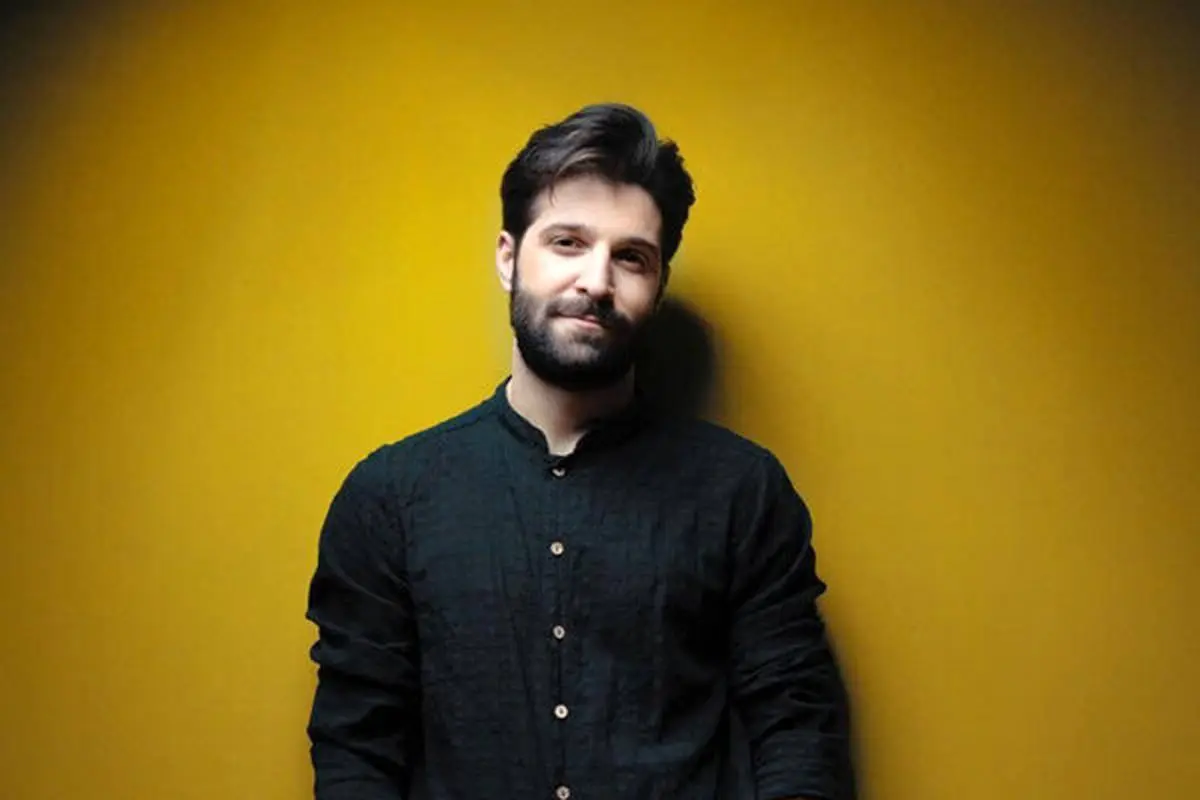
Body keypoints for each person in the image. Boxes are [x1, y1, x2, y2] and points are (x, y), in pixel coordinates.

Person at [305, 103, 849, 800]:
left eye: (631, 257)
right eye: (567, 242)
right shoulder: (390, 498)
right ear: (509, 259)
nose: (596, 281)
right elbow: (356, 750)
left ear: (658, 286)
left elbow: (796, 727)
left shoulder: (743, 492)